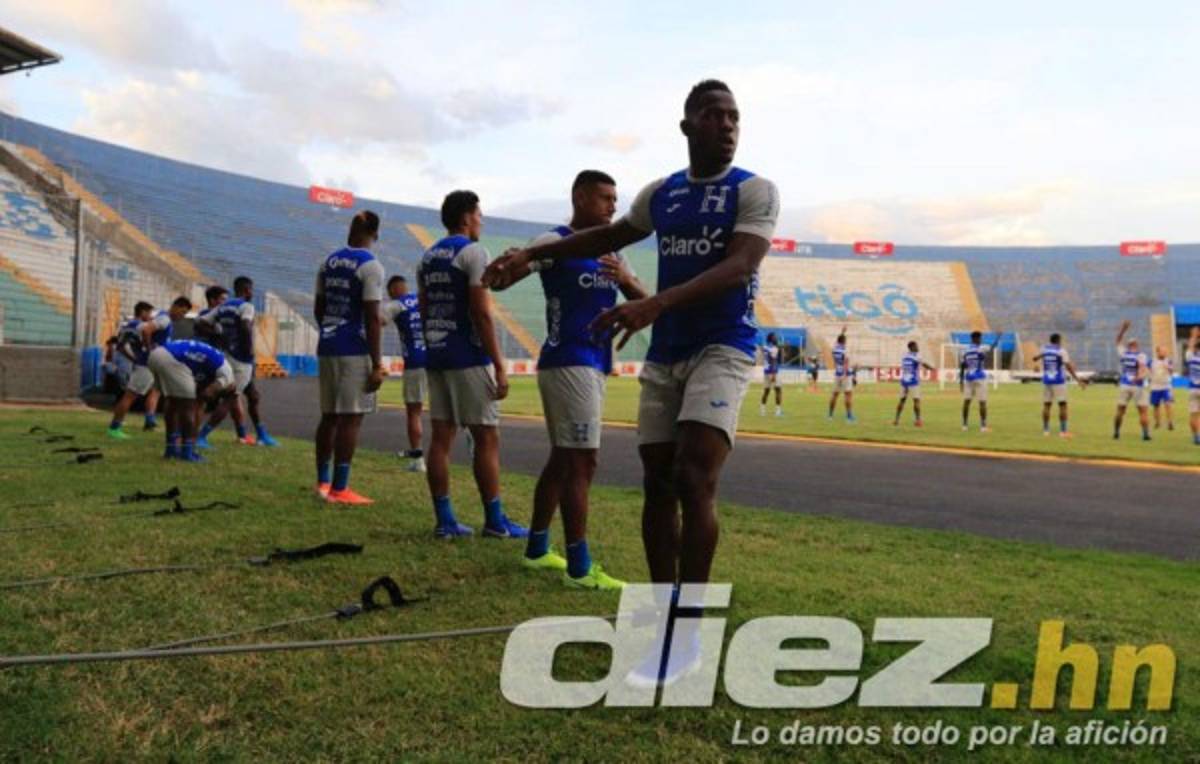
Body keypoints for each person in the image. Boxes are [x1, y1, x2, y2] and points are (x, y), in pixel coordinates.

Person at [484, 79, 779, 591]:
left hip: (723, 343)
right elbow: (610, 235)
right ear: (687, 125)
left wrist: (654, 303)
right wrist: (531, 255)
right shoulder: (662, 193)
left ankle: (688, 618)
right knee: (658, 483)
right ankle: (662, 610)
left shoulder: (753, 190)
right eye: (715, 115)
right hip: (665, 350)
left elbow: (740, 266)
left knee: (693, 476)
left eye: (734, 117)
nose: (728, 125)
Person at [489, 169, 647, 589]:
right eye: (605, 198)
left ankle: (538, 549)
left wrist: (625, 279)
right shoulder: (552, 241)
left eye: (616, 199)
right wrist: (502, 267)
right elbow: (505, 279)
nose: (613, 206)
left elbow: (644, 302)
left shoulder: (612, 249)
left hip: (594, 363)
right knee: (582, 461)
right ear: (580, 198)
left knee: (563, 459)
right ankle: (580, 567)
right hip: (568, 361)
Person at [418, 190, 526, 539]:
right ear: (467, 216)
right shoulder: (474, 252)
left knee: (441, 439)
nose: (481, 220)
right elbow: (480, 311)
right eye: (479, 214)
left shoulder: (427, 257)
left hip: (437, 353)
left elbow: (423, 309)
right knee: (486, 437)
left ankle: (444, 519)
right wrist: (499, 363)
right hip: (468, 354)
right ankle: (495, 521)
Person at [314, 210, 387, 504]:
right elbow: (371, 317)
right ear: (375, 235)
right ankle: (340, 488)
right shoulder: (371, 266)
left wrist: (331, 330)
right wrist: (378, 363)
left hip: (328, 343)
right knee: (351, 418)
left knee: (329, 416)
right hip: (354, 348)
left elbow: (319, 308)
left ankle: (322, 482)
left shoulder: (328, 262)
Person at [198, 277, 280, 448]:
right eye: (251, 289)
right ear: (246, 289)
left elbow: (201, 323)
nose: (252, 293)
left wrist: (220, 337)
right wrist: (248, 348)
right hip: (241, 360)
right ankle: (201, 436)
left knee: (253, 396)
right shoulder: (246, 306)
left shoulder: (224, 306)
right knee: (230, 398)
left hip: (227, 355)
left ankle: (261, 434)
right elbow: (245, 326)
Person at [107, 297, 191, 438]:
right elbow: (147, 330)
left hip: (152, 363)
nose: (182, 316)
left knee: (155, 391)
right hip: (147, 365)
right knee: (130, 396)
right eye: (182, 312)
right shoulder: (164, 319)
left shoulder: (163, 317)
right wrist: (150, 349)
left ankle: (149, 421)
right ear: (175, 306)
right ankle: (114, 428)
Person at [146, 338, 236, 462]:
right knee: (188, 406)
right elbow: (207, 394)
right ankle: (187, 452)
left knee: (172, 402)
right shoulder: (228, 376)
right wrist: (208, 398)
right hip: (172, 359)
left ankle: (171, 449)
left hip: (156, 355)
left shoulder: (214, 366)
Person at [381, 275, 428, 472]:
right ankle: (472, 443)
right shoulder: (423, 298)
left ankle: (418, 460)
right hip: (438, 358)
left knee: (414, 412)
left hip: (415, 362)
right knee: (450, 410)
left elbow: (378, 320)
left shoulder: (396, 305)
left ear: (392, 291)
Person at [1031, 333, 1087, 437]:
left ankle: (1046, 431)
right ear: (1058, 340)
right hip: (1058, 381)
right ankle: (1063, 431)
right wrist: (1078, 380)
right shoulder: (1061, 351)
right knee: (1062, 405)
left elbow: (1034, 358)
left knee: (1047, 405)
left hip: (1047, 380)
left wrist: (1041, 356)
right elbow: (1068, 366)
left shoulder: (1044, 349)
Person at [1113, 320, 1151, 441]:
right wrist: (1139, 377)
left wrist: (1123, 329)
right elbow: (1142, 368)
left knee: (1120, 410)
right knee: (1143, 411)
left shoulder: (1124, 353)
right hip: (1137, 385)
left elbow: (1118, 340)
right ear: (1137, 345)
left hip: (1124, 384)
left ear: (1129, 345)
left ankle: (1116, 432)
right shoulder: (1141, 355)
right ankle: (1145, 434)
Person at [959, 330, 1001, 432]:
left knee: (966, 402)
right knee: (982, 402)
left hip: (968, 378)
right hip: (980, 377)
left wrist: (960, 380)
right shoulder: (981, 349)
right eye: (980, 338)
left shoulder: (965, 351)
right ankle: (983, 426)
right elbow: (991, 349)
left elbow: (963, 366)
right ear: (976, 339)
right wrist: (998, 338)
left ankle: (964, 425)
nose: (981, 340)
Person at [893, 340, 935, 427]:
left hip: (904, 381)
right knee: (916, 400)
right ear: (912, 347)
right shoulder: (916, 356)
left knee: (902, 400)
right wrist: (932, 369)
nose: (918, 348)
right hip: (913, 381)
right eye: (916, 346)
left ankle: (896, 420)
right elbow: (924, 364)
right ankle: (918, 420)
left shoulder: (904, 356)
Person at [826, 326, 854, 422]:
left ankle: (830, 415)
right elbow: (846, 363)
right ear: (844, 341)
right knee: (848, 395)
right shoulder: (845, 350)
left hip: (837, 373)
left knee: (835, 394)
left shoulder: (835, 349)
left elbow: (838, 340)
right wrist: (845, 375)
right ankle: (849, 416)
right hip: (844, 374)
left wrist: (842, 331)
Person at [1148, 346, 1175, 431]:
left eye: (1165, 351)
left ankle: (1170, 422)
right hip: (1155, 386)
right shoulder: (1151, 361)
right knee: (1156, 406)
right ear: (1158, 352)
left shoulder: (1168, 361)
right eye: (1162, 351)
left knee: (1168, 404)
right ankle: (1157, 422)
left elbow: (1171, 371)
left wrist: (1168, 368)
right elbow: (1147, 370)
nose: (1164, 353)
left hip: (1166, 386)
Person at [759, 332, 783, 416]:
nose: (776, 338)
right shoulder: (774, 348)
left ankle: (762, 410)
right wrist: (774, 374)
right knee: (778, 390)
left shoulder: (765, 347)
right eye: (775, 337)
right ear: (772, 339)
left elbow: (762, 349)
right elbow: (773, 361)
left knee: (766, 391)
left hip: (766, 371)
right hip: (773, 371)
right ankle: (778, 411)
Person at [1185, 326, 1200, 446]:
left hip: (1192, 388)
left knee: (1193, 414)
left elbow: (1190, 346)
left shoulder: (1191, 357)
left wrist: (1193, 335)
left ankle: (1196, 437)